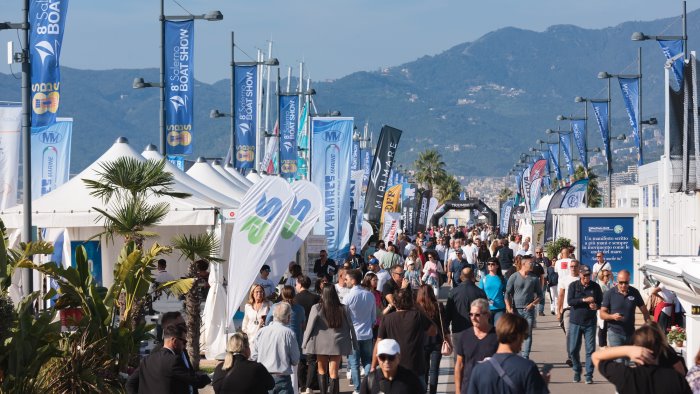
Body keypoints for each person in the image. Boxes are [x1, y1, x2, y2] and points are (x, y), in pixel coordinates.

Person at [592, 324, 692, 394]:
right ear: (661, 347)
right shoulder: (675, 379)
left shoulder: (627, 376)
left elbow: (596, 356)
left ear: (635, 347)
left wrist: (627, 350)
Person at [372, 288, 437, 391]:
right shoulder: (418, 316)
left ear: (394, 302)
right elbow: (433, 331)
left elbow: (378, 343)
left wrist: (373, 366)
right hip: (416, 365)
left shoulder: (387, 319)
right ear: (411, 301)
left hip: (394, 366)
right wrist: (419, 309)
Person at [467, 313, 549, 393]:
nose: (523, 340)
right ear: (518, 336)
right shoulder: (527, 368)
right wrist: (543, 385)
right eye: (524, 336)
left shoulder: (479, 370)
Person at [302, 285, 358, 394]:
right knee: (334, 372)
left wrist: (304, 343)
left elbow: (309, 327)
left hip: (320, 343)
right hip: (337, 343)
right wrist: (355, 343)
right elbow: (351, 326)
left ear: (323, 294)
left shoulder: (317, 307)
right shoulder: (344, 308)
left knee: (321, 370)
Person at [126, 324, 211, 394]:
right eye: (184, 342)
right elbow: (195, 380)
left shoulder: (146, 360)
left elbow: (130, 383)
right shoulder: (173, 360)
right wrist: (207, 377)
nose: (185, 345)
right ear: (174, 340)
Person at [252, 302, 301, 394]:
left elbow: (254, 356)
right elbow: (295, 360)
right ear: (288, 316)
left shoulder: (261, 332)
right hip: (282, 377)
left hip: (263, 376)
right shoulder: (289, 333)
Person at [567, 265, 603, 384]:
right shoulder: (573, 286)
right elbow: (570, 301)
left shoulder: (595, 287)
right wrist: (584, 300)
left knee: (590, 350)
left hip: (590, 323)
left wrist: (596, 306)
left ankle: (589, 375)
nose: (587, 277)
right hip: (575, 322)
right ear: (580, 274)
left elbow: (600, 303)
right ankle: (577, 370)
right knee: (573, 350)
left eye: (589, 275)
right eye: (585, 275)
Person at [454, 298, 498, 394]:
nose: (473, 318)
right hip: (468, 388)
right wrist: (458, 390)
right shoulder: (464, 336)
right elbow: (459, 364)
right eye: (471, 314)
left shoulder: (497, 336)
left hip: (490, 389)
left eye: (477, 315)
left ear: (487, 315)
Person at [344, 269, 377, 394]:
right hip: (367, 333)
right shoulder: (369, 295)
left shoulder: (347, 297)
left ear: (353, 281)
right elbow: (374, 317)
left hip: (353, 335)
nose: (345, 281)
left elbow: (344, 317)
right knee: (367, 361)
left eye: (347, 279)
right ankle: (368, 386)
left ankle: (358, 389)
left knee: (354, 364)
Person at [600, 269, 650, 349]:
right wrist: (612, 316)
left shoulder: (635, 292)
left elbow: (645, 311)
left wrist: (648, 325)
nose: (623, 285)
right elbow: (602, 314)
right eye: (621, 282)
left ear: (629, 280)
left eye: (626, 282)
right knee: (619, 360)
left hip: (630, 333)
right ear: (617, 281)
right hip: (614, 333)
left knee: (627, 360)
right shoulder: (609, 293)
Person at [505, 255, 542, 359]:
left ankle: (525, 357)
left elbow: (540, 295)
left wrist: (532, 304)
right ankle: (516, 354)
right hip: (516, 311)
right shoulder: (514, 276)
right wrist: (509, 308)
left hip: (529, 311)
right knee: (515, 335)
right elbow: (507, 294)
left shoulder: (534, 278)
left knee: (528, 334)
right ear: (523, 263)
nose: (533, 265)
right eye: (531, 263)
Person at [416, 284, 450, 394]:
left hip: (422, 343)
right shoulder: (438, 306)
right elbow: (444, 326)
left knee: (424, 370)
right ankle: (433, 392)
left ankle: (423, 390)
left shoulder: (417, 308)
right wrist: (448, 340)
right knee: (434, 370)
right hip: (437, 341)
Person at [446, 267, 487, 351]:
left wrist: (446, 332)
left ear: (461, 277)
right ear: (473, 276)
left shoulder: (453, 292)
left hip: (458, 330)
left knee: (459, 360)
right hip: (476, 330)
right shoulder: (480, 292)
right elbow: (486, 314)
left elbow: (448, 314)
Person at [294, 275, 321, 394]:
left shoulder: (294, 298)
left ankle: (302, 386)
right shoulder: (315, 297)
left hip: (298, 332)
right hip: (313, 333)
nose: (295, 286)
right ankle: (309, 386)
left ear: (300, 284)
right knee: (311, 360)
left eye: (296, 284)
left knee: (300, 360)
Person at [265, 286, 306, 353]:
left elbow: (267, 321)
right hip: (295, 338)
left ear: (282, 294)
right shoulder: (300, 309)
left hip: (278, 337)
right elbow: (303, 326)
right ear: (294, 295)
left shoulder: (275, 306)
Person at [557, 259, 581, 366]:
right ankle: (570, 356)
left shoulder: (582, 279)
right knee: (569, 334)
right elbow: (561, 295)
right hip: (567, 310)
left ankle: (575, 354)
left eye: (575, 266)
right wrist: (559, 310)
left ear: (579, 267)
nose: (573, 268)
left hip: (580, 311)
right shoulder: (564, 279)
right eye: (571, 266)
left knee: (577, 335)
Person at [242, 284, 272, 350]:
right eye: (257, 292)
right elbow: (245, 320)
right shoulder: (248, 306)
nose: (259, 293)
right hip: (250, 337)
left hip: (264, 336)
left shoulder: (268, 304)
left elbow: (272, 319)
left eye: (261, 291)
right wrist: (247, 331)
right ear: (252, 293)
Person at [478, 257, 507, 325]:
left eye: (492, 264)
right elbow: (480, 293)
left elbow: (507, 293)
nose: (490, 265)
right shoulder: (484, 279)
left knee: (498, 329)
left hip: (500, 308)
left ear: (497, 266)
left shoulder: (502, 279)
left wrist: (508, 306)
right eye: (488, 264)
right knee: (489, 331)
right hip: (487, 309)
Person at [362, 272, 383, 339]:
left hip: (378, 321)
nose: (376, 281)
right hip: (368, 322)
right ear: (368, 280)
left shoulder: (378, 293)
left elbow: (380, 306)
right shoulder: (365, 293)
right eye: (374, 280)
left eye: (377, 280)